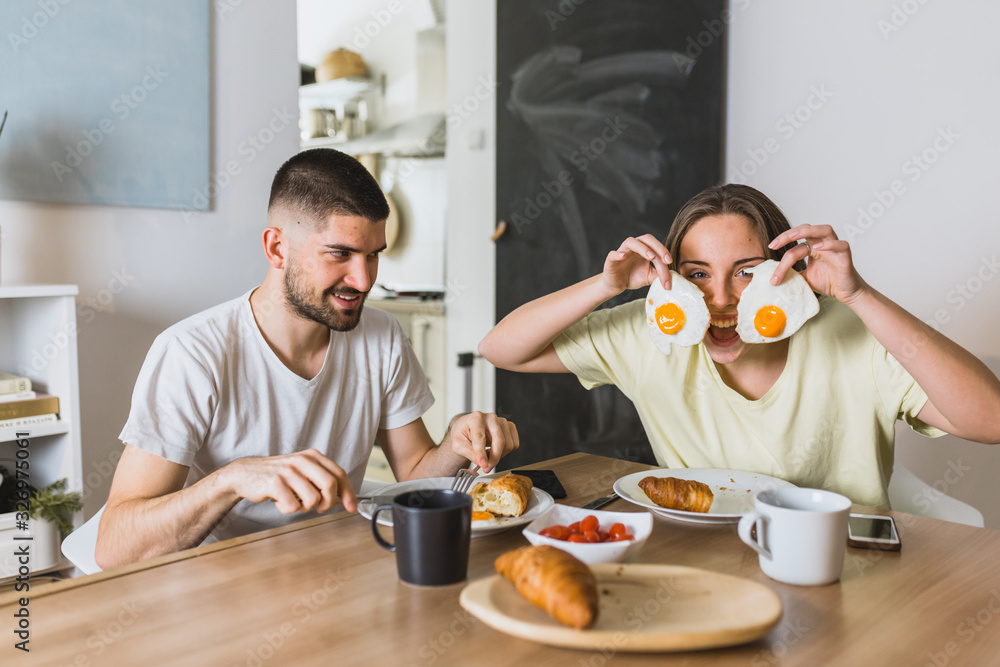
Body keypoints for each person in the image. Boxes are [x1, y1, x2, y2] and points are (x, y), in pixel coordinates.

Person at [96, 149, 518, 568]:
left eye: (373, 255)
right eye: (341, 253)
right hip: (223, 580)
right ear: (277, 248)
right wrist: (230, 480)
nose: (364, 280)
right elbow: (116, 547)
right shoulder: (192, 353)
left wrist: (456, 442)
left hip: (338, 566)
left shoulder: (381, 335)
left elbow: (416, 474)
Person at [478, 184, 1000, 508]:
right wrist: (607, 285)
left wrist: (858, 294)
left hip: (835, 567)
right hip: (705, 562)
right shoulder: (648, 333)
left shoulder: (852, 333)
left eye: (746, 273)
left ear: (785, 273)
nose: (720, 299)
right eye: (697, 274)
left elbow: (991, 420)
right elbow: (502, 349)